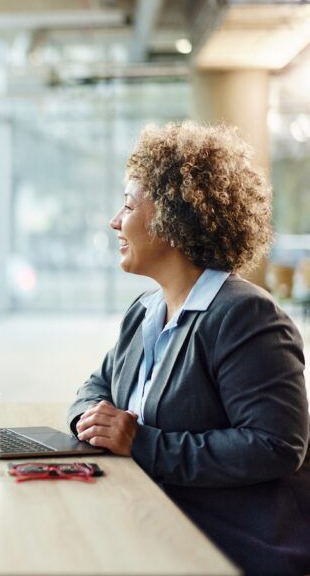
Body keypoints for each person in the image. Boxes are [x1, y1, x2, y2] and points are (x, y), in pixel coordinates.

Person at [67, 122, 309, 575]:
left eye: (127, 205)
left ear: (172, 218)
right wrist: (91, 419)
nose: (115, 220)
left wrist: (141, 442)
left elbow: (275, 445)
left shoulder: (245, 316)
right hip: (151, 516)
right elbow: (96, 384)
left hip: (223, 542)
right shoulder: (145, 309)